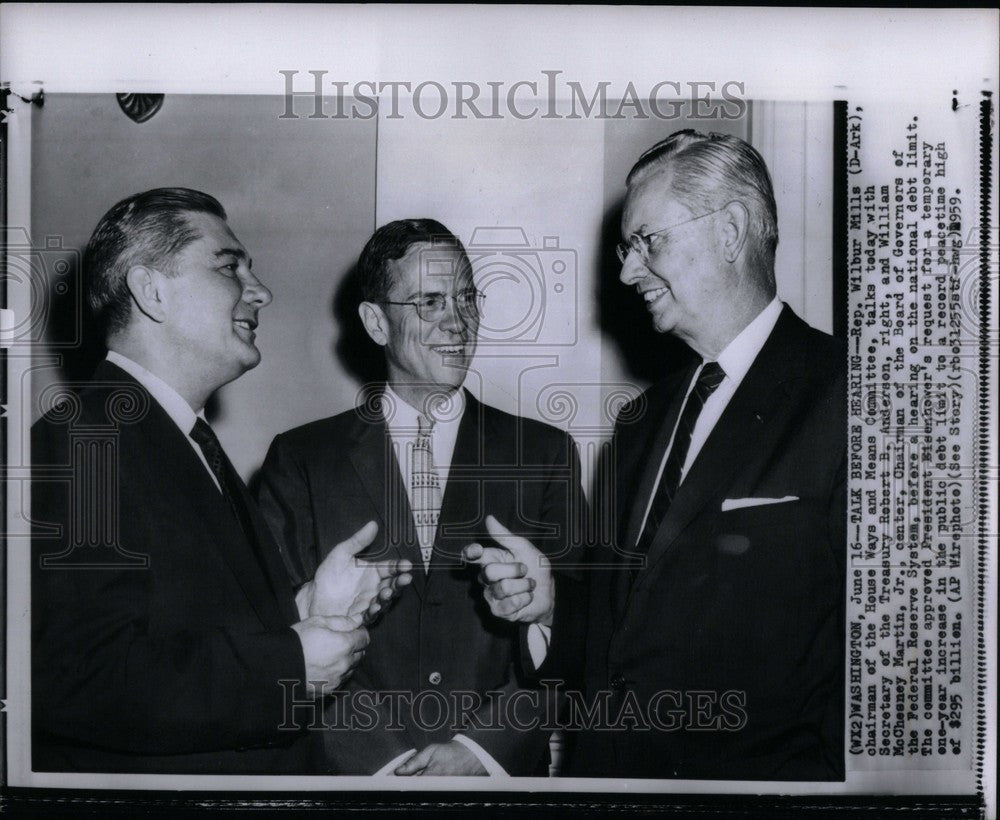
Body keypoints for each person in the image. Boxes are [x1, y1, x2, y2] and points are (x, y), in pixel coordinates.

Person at [468, 130, 846, 780]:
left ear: (730, 231)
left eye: (649, 241)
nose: (626, 271)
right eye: (625, 247)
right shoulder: (642, 423)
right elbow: (624, 636)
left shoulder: (851, 392)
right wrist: (549, 605)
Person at [31, 188, 410, 774]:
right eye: (229, 266)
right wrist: (290, 665)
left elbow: (185, 628)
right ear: (150, 290)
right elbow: (79, 676)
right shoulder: (85, 444)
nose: (260, 292)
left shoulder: (178, 439)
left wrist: (306, 607)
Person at [257, 219, 585, 776]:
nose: (456, 321)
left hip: (496, 784)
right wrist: (384, 765)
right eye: (430, 301)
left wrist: (482, 753)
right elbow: (277, 639)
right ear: (376, 322)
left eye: (465, 297)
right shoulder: (302, 460)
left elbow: (576, 631)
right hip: (350, 784)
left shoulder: (545, 452)